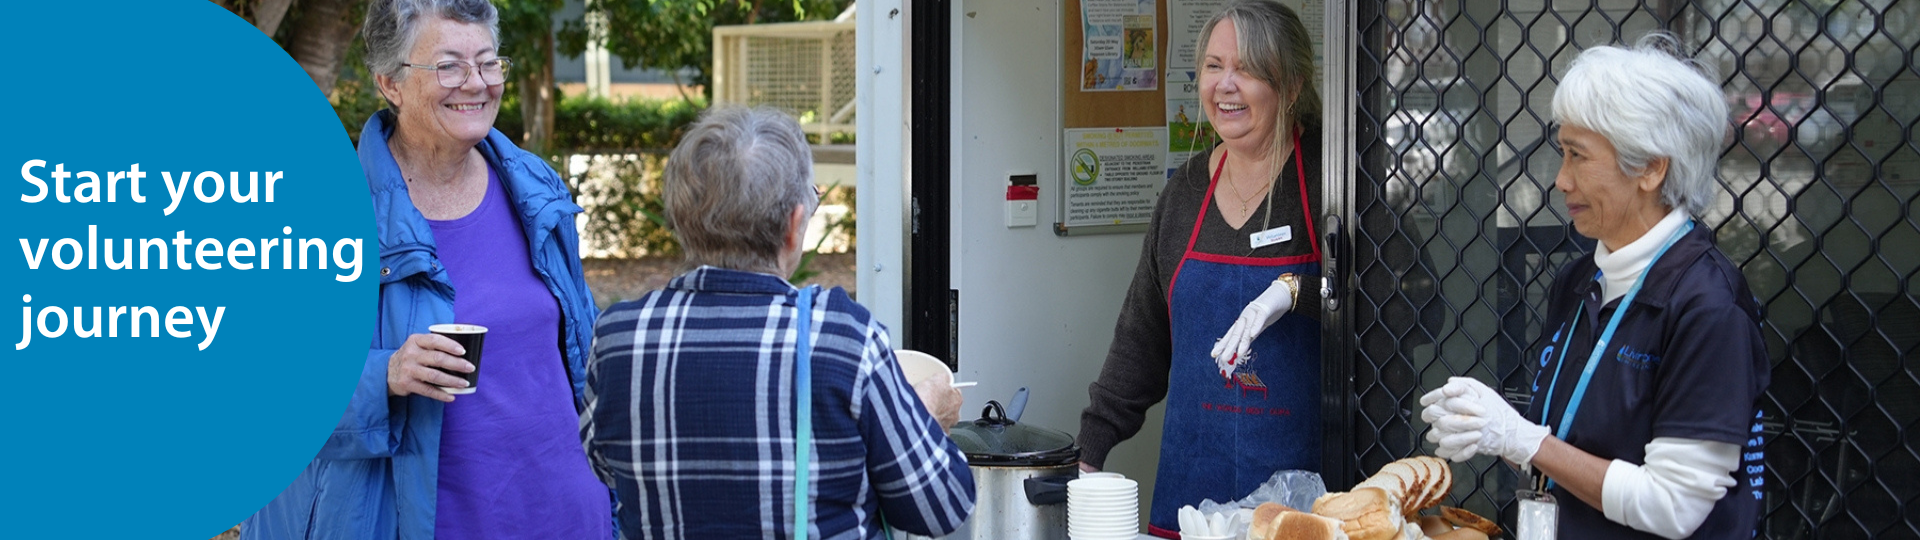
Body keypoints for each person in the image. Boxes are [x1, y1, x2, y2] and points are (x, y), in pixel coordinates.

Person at [242, 0, 609, 538]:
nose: (477, 83)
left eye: (488, 62)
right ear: (390, 82)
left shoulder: (536, 187)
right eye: (449, 66)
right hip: (417, 520)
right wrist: (385, 375)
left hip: (564, 514)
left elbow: (578, 351)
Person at [1419, 34, 1767, 540]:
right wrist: (1488, 425)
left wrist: (1521, 439)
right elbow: (1569, 442)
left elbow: (1674, 507)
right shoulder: (1580, 280)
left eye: (1578, 156)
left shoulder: (1708, 306)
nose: (1560, 180)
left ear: (1650, 167)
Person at [581, 106, 975, 539]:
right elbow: (940, 508)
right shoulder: (842, 339)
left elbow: (604, 466)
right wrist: (920, 415)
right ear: (793, 226)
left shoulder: (618, 340)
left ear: (678, 219)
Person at [1075, 1, 1324, 536]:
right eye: (1214, 66)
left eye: (1248, 68)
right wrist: (1089, 452)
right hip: (1192, 500)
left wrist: (1300, 291)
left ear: (1294, 84)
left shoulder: (1334, 181)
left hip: (1305, 508)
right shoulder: (1184, 193)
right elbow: (1141, 338)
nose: (1225, 85)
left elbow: (1410, 301)